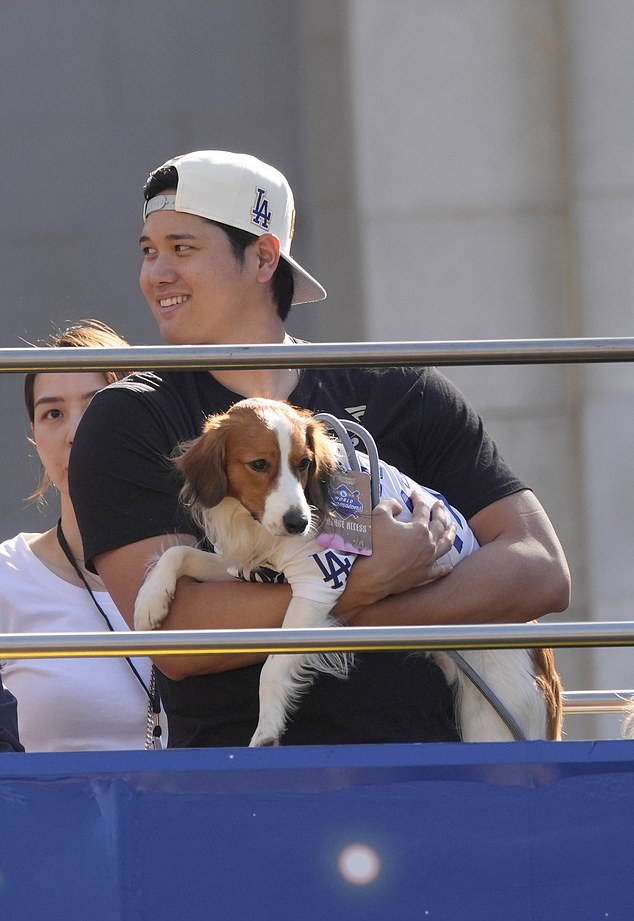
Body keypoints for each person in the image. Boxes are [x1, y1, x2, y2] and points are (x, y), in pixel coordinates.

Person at [69, 150, 571, 748]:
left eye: (183, 248)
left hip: (431, 773)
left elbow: (539, 567)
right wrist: (362, 585)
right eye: (149, 251)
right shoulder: (130, 415)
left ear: (262, 257)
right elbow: (177, 638)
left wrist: (342, 602)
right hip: (238, 785)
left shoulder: (398, 387)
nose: (157, 274)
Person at [0, 320, 161, 752]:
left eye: (97, 408)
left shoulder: (211, 565)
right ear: (35, 439)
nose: (75, 434)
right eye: (53, 413)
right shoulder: (7, 576)